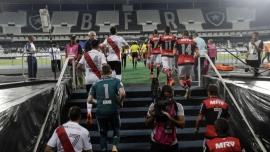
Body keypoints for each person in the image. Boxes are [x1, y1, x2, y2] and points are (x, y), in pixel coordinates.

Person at [87, 65, 126, 152]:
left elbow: (89, 100)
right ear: (111, 72)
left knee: (103, 133)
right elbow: (122, 93)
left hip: (101, 111)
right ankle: (114, 147)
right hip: (113, 109)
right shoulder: (116, 81)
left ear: (101, 73)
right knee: (116, 128)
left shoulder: (95, 83)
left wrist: (98, 102)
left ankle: (104, 149)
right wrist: (119, 101)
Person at [145, 85, 185, 152]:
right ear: (162, 95)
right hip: (156, 142)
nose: (170, 99)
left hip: (172, 142)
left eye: (172, 96)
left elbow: (182, 125)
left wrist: (170, 118)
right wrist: (154, 116)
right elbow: (146, 123)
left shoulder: (177, 106)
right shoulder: (154, 105)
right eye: (168, 97)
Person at [77, 39, 107, 124]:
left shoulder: (86, 54)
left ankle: (89, 113)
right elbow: (105, 66)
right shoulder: (101, 54)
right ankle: (99, 115)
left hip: (88, 79)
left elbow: (78, 66)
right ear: (98, 46)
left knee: (89, 97)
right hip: (98, 78)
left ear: (91, 46)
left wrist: (85, 71)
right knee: (99, 97)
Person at [173, 30, 200, 100]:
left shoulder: (178, 41)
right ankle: (187, 91)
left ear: (182, 35)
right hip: (191, 62)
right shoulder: (193, 42)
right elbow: (198, 54)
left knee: (181, 78)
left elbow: (174, 53)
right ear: (189, 35)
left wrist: (178, 56)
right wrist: (193, 57)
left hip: (182, 61)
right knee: (188, 77)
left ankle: (186, 88)